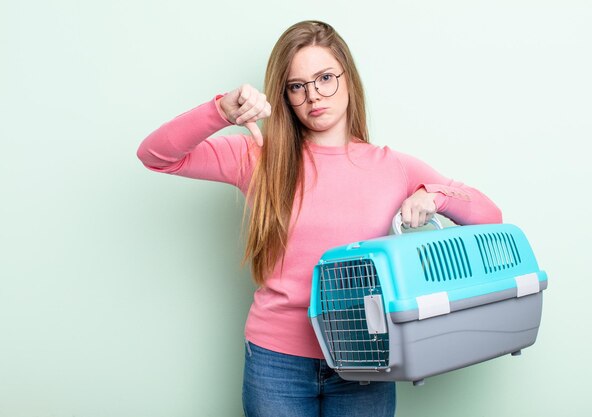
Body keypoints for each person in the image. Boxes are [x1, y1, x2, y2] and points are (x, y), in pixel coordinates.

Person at [137, 20, 502, 417]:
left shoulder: (394, 166)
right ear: (285, 94)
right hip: (276, 361)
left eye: (325, 78)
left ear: (348, 78)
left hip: (366, 359)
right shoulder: (258, 157)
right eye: (297, 86)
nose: (314, 96)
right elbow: (156, 156)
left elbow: (490, 216)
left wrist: (435, 196)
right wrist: (220, 110)